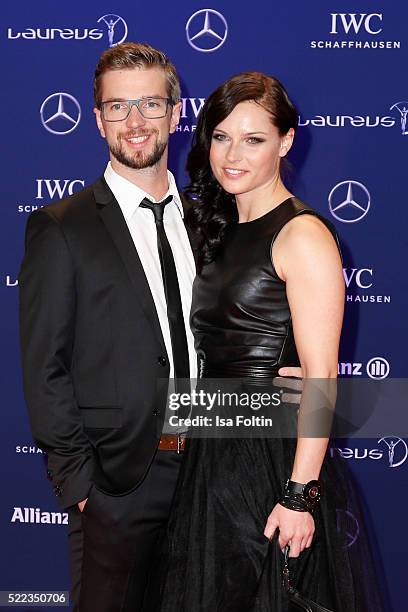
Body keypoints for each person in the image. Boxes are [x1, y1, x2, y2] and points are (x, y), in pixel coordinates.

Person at [155, 72, 386, 611]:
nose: (233, 154)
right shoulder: (217, 225)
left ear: (285, 142)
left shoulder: (302, 236)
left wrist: (298, 496)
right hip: (212, 450)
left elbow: (321, 378)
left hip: (269, 459)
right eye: (221, 136)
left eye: (254, 139)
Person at [19, 42, 197, 612]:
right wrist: (83, 488)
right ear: (97, 120)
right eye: (118, 107)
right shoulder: (61, 226)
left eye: (150, 103)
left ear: (175, 111)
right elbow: (45, 365)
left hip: (210, 472)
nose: (136, 121)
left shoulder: (210, 219)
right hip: (119, 482)